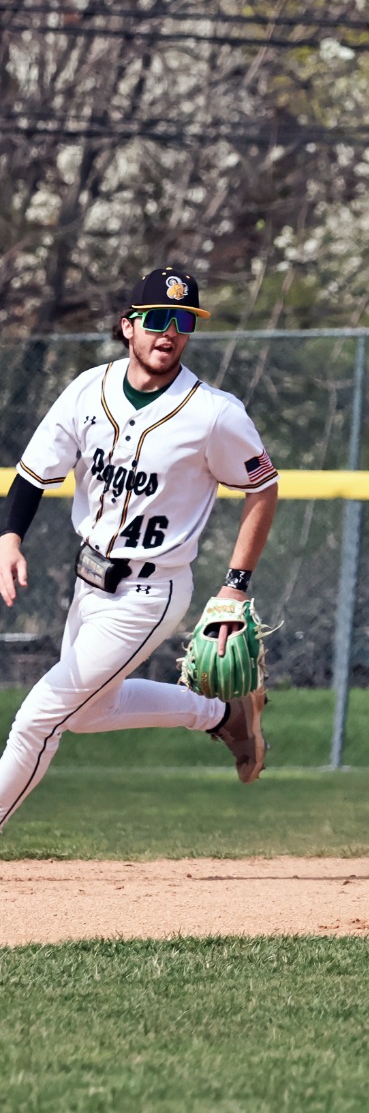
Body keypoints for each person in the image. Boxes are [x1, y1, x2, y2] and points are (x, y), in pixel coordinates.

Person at [0, 267, 280, 835]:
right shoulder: (86, 389)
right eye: (157, 320)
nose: (169, 333)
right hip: (88, 582)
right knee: (89, 713)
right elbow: (33, 474)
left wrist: (235, 584)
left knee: (39, 718)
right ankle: (223, 715)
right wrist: (8, 539)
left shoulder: (213, 413)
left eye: (183, 322)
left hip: (151, 591)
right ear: (129, 326)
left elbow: (262, 486)